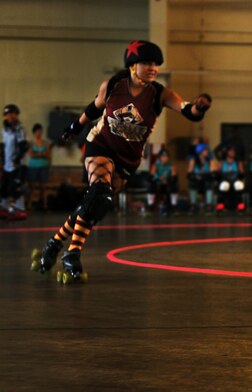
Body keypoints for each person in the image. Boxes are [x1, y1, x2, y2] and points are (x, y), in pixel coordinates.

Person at [30, 40, 212, 282]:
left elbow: (187, 110)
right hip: (101, 144)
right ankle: (72, 254)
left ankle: (54, 243)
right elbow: (94, 108)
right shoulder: (114, 84)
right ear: (132, 65)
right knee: (99, 192)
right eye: (147, 63)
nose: (153, 68)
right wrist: (75, 126)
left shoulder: (160, 94)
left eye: (156, 64)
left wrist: (199, 107)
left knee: (95, 205)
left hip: (128, 159)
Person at [2, 104, 28, 220]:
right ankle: (4, 208)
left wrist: (17, 160)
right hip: (6, 164)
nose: (10, 116)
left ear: (16, 115)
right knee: (4, 188)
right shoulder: (5, 130)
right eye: (7, 114)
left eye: (12, 114)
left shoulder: (19, 129)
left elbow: (24, 146)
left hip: (16, 164)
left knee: (14, 187)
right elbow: (4, 147)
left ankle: (18, 210)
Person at [26, 123, 52, 211]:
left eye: (41, 131)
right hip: (33, 167)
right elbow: (31, 154)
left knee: (43, 187)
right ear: (34, 132)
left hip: (44, 167)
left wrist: (38, 154)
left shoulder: (46, 143)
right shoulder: (31, 143)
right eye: (37, 131)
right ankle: (29, 205)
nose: (39, 133)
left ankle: (44, 206)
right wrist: (42, 154)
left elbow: (48, 155)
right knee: (32, 187)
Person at [187, 143, 216, 213]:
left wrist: (207, 175)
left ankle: (209, 205)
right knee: (192, 183)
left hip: (206, 178)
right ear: (200, 152)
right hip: (197, 179)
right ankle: (193, 204)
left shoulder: (209, 159)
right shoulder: (194, 159)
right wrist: (194, 176)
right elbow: (189, 172)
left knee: (209, 183)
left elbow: (213, 171)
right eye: (205, 150)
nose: (207, 152)